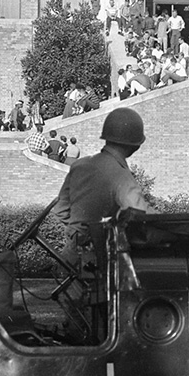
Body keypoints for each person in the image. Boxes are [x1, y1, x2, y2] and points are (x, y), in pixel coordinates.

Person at [50, 107, 152, 342]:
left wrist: (78, 229)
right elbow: (143, 215)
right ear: (134, 145)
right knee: (100, 336)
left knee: (77, 335)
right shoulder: (120, 176)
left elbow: (60, 210)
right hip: (99, 264)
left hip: (70, 259)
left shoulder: (80, 166)